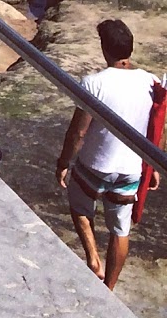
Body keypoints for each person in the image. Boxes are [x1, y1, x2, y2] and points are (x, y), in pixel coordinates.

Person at [57, 19, 163, 290]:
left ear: (105, 48)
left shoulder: (93, 84)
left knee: (80, 206)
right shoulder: (150, 81)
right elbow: (155, 125)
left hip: (94, 165)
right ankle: (110, 287)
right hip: (130, 169)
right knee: (120, 229)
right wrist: (152, 164)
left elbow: (78, 133)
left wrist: (64, 162)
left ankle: (93, 258)